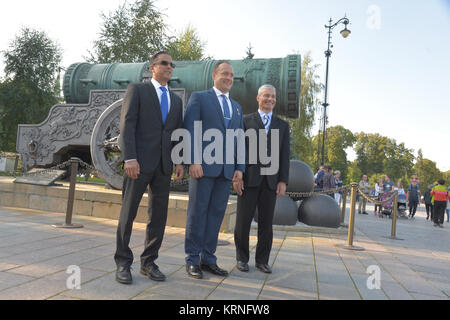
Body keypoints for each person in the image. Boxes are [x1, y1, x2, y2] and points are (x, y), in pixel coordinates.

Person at [115, 52, 184, 284]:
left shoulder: (176, 101)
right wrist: (130, 158)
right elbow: (127, 124)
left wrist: (180, 160)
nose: (169, 67)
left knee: (159, 216)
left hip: (164, 166)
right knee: (128, 213)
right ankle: (123, 262)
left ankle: (149, 262)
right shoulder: (138, 90)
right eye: (164, 63)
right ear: (153, 67)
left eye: (171, 64)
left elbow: (176, 134)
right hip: (139, 163)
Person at [183, 61, 245, 279]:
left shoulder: (237, 107)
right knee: (197, 214)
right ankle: (192, 259)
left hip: (226, 171)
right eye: (225, 73)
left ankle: (208, 258)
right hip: (203, 168)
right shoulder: (200, 98)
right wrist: (193, 160)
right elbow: (190, 129)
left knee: (216, 215)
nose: (229, 78)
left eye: (232, 75)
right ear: (214, 75)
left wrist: (239, 168)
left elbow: (239, 140)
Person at [234, 84, 290, 274]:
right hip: (249, 179)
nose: (270, 99)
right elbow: (239, 149)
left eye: (273, 96)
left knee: (266, 224)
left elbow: (284, 155)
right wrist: (238, 173)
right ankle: (241, 258)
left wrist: (283, 181)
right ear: (258, 98)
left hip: (271, 182)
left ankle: (262, 261)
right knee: (243, 221)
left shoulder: (283, 125)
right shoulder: (245, 121)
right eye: (266, 96)